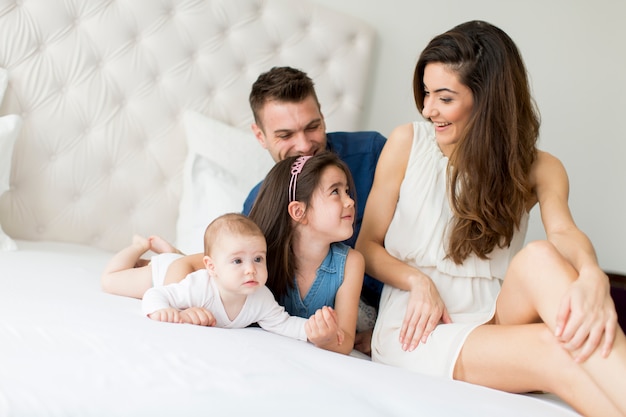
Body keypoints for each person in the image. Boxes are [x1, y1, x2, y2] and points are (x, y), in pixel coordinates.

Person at [355, 20, 626, 417]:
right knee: (554, 346)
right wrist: (418, 281)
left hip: (495, 315)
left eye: (444, 98)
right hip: (420, 327)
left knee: (539, 257)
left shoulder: (539, 166)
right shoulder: (406, 143)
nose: (429, 109)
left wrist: (592, 276)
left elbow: (564, 231)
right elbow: (367, 246)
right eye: (427, 94)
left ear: (487, 100)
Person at [165, 152, 365, 355]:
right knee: (163, 265)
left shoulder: (351, 263)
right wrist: (182, 312)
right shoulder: (258, 254)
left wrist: (328, 339)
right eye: (335, 192)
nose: (350, 201)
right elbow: (182, 265)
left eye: (347, 191)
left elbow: (346, 340)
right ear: (298, 212)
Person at [108, 213, 344, 346]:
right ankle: (140, 247)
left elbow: (283, 323)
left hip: (198, 270)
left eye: (258, 259)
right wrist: (166, 311)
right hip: (161, 274)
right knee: (111, 280)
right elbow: (156, 294)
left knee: (182, 264)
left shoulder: (260, 297)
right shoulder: (199, 286)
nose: (251, 270)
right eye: (238, 261)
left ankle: (172, 251)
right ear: (212, 267)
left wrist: (313, 329)